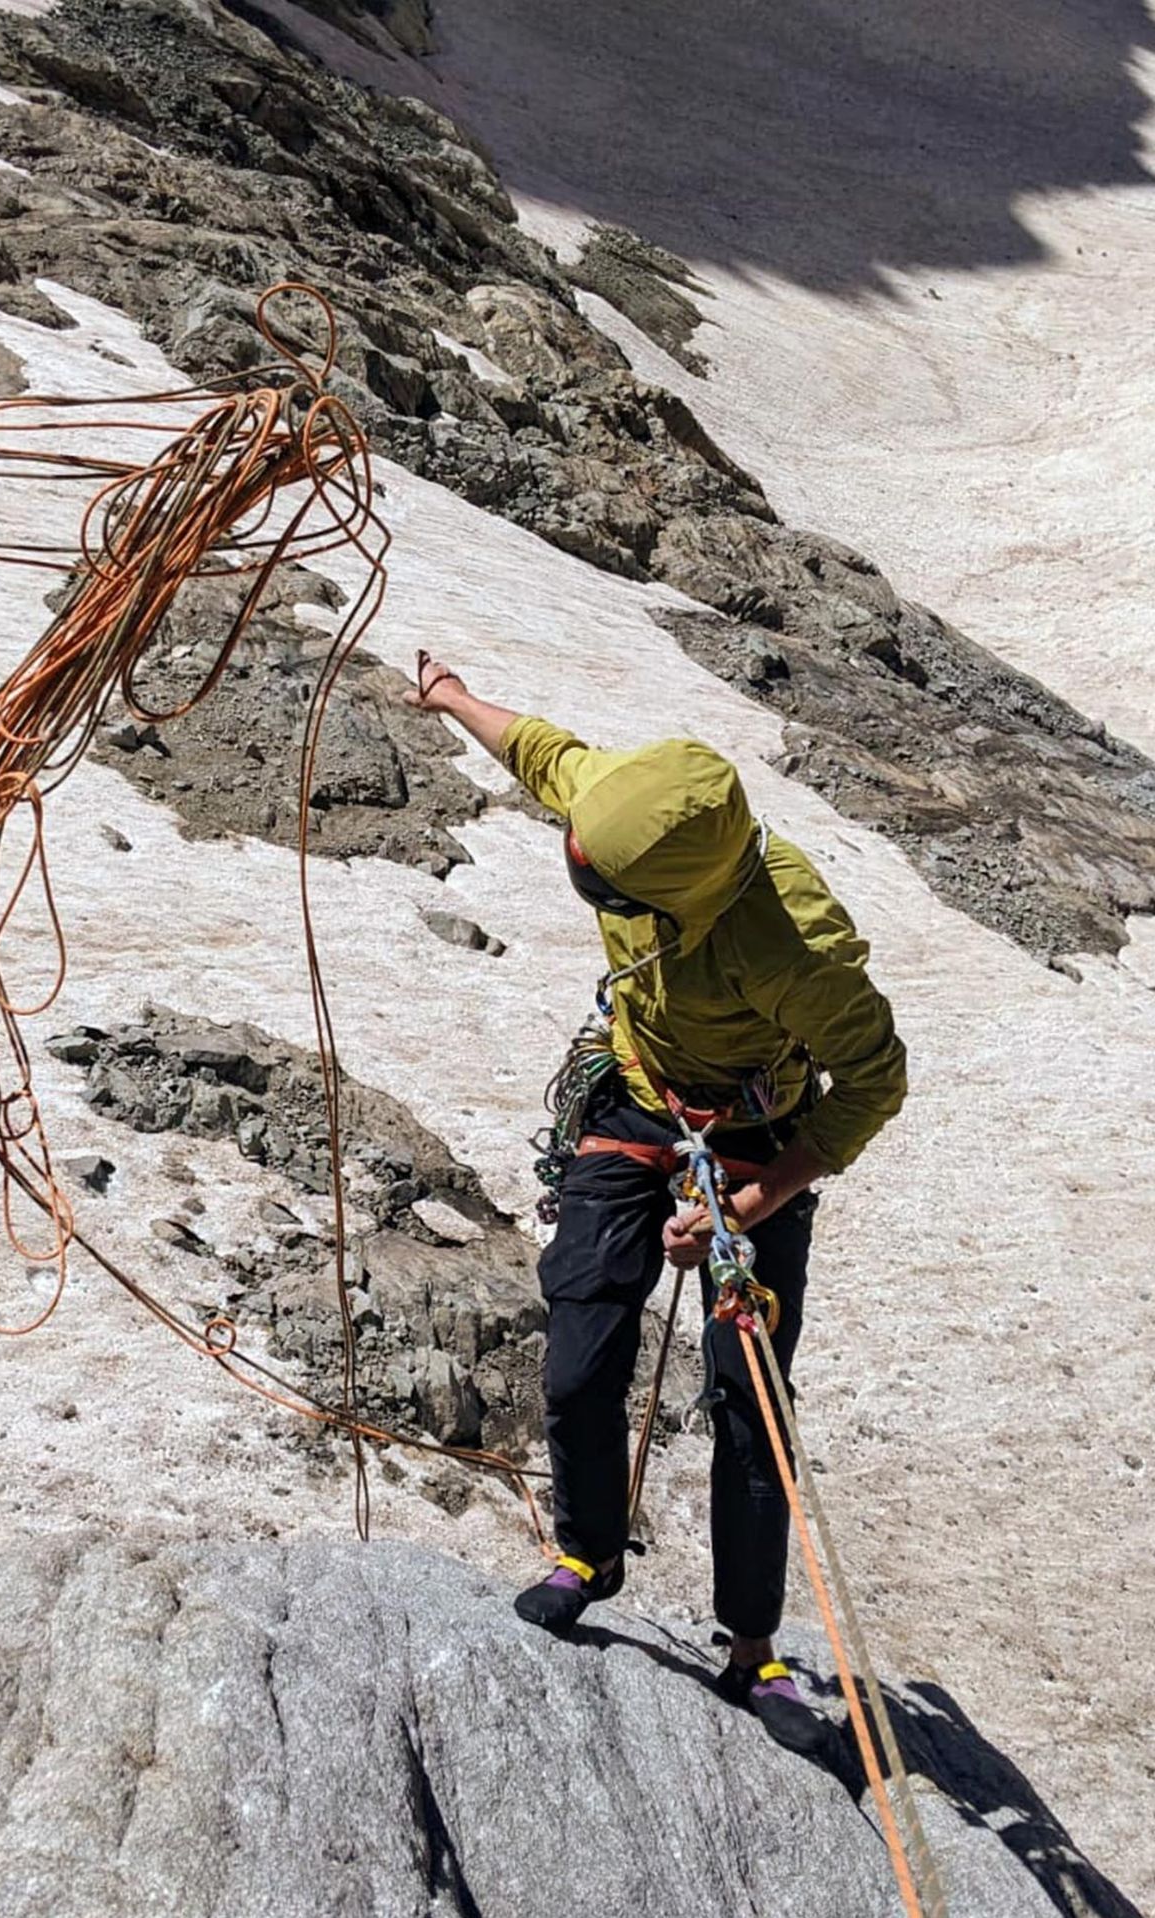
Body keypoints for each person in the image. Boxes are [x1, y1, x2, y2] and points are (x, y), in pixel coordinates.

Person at [405, 653, 907, 1747]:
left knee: (750, 1399)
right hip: (635, 1099)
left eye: (605, 889)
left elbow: (874, 1079)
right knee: (582, 1340)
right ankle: (587, 1548)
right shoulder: (631, 815)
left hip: (758, 1133)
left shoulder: (792, 946)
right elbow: (543, 756)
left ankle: (752, 1643)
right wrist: (453, 696)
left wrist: (759, 1195)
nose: (588, 891)